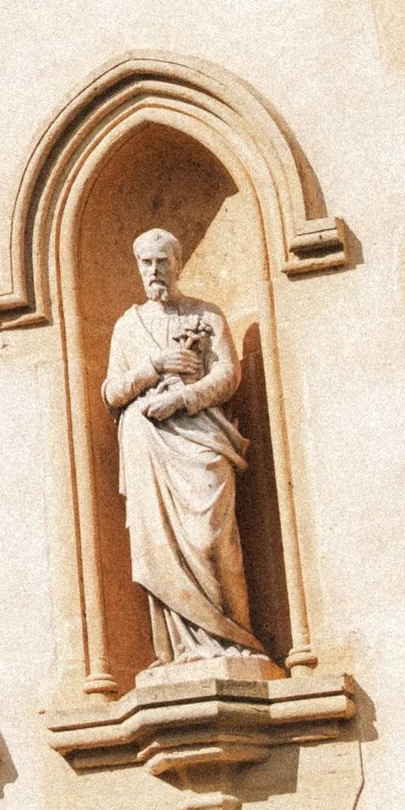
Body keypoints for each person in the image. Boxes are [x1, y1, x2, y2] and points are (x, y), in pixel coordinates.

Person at [101, 229, 270, 668]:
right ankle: (177, 649)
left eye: (162, 261)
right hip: (147, 449)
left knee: (213, 538)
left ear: (177, 264)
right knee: (159, 548)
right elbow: (112, 392)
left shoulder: (206, 316)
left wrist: (183, 397)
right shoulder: (127, 326)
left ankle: (232, 638)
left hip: (201, 445)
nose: (153, 271)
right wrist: (154, 366)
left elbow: (228, 375)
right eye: (145, 263)